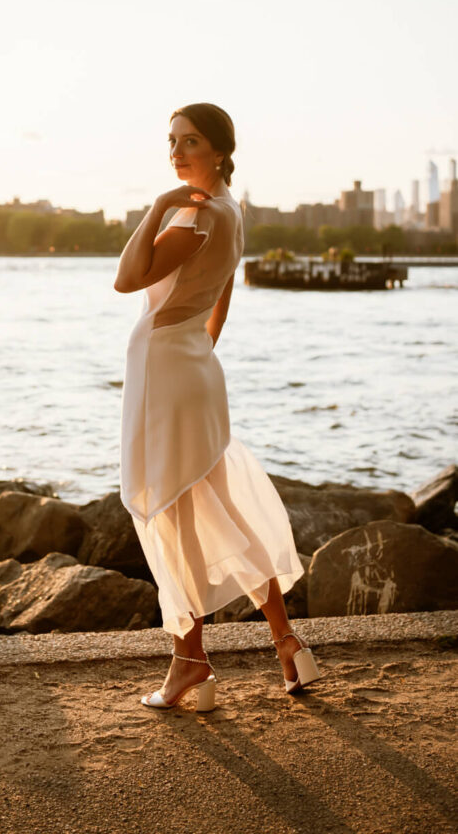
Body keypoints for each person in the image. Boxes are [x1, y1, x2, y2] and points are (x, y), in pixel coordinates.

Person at [114, 102, 321, 711]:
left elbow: (127, 279)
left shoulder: (190, 214)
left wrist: (154, 207)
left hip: (164, 366)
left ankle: (190, 664)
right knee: (218, 502)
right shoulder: (233, 212)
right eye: (172, 141)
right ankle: (286, 642)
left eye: (191, 142)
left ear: (220, 152)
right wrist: (195, 353)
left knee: (168, 513)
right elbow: (219, 304)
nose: (177, 153)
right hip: (195, 367)